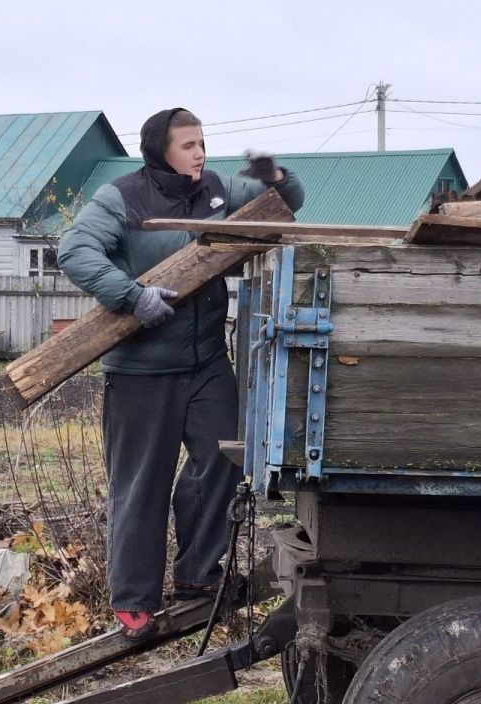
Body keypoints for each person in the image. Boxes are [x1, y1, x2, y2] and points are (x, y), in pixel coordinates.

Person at [57, 108, 304, 640]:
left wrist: (276, 177)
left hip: (207, 362)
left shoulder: (214, 189)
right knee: (141, 484)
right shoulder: (121, 197)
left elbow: (288, 205)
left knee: (225, 455)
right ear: (159, 150)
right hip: (142, 369)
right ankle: (133, 601)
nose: (200, 153)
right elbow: (74, 252)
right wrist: (132, 295)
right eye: (188, 145)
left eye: (202, 143)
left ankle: (196, 574)